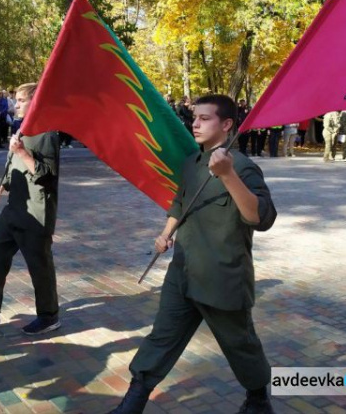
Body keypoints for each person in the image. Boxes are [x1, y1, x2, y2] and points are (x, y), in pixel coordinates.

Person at [110, 94, 277, 414]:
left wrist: (228, 175)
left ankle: (258, 400)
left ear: (226, 125)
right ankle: (133, 403)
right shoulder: (191, 162)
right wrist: (165, 233)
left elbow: (261, 218)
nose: (195, 124)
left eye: (204, 118)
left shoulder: (243, 167)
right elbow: (180, 204)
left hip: (222, 276)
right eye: (194, 118)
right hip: (183, 272)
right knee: (162, 336)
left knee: (240, 344)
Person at [0, 83, 62, 335]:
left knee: (39, 265)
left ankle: (49, 315)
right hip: (13, 208)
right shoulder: (21, 130)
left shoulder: (47, 134)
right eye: (15, 100)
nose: (15, 105)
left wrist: (22, 151)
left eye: (20, 100)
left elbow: (47, 175)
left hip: (36, 213)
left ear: (34, 103)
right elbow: (10, 168)